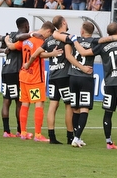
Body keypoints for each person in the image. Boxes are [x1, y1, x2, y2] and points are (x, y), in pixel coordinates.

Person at [70, 23, 117, 151]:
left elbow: (85, 53)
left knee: (108, 112)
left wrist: (75, 41)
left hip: (109, 83)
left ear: (108, 33)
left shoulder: (102, 45)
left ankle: (109, 142)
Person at [54, 21, 101, 148]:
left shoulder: (74, 39)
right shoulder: (95, 42)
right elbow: (87, 53)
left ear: (82, 31)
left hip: (73, 77)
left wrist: (71, 38)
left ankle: (76, 137)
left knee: (75, 108)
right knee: (84, 108)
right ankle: (76, 137)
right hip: (86, 77)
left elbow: (68, 55)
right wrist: (84, 68)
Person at [19, 21, 62, 141]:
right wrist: (52, 53)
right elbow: (39, 54)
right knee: (39, 104)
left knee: (25, 103)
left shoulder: (27, 38)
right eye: (49, 35)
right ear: (48, 31)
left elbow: (14, 46)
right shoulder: (40, 40)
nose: (48, 38)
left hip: (23, 76)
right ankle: (38, 134)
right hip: (35, 78)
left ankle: (23, 132)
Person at [45, 16, 74, 145]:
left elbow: (39, 53)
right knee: (69, 105)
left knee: (53, 105)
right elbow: (69, 56)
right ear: (63, 22)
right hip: (64, 75)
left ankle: (51, 136)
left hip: (52, 75)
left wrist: (50, 54)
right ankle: (70, 137)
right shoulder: (66, 38)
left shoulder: (49, 39)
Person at [1, 18, 30, 137]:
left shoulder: (9, 35)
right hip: (16, 71)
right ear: (26, 25)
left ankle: (6, 131)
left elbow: (4, 46)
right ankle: (20, 130)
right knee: (19, 102)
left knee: (6, 101)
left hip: (5, 70)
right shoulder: (24, 37)